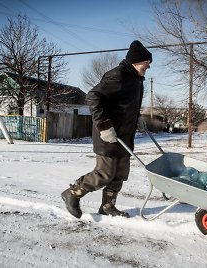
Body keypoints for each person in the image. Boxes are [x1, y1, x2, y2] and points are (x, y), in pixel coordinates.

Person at [61, 40, 152, 218]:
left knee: (120, 174)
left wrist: (137, 117)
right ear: (136, 61)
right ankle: (72, 194)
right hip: (109, 135)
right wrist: (104, 125)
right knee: (104, 173)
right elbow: (93, 97)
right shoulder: (118, 75)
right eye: (146, 63)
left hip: (124, 136)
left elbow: (124, 104)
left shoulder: (136, 79)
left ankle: (108, 206)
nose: (148, 67)